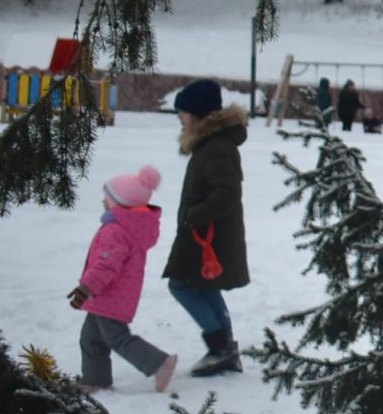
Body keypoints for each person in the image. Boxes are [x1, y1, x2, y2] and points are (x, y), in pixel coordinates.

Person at [163, 79, 250, 377]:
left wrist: (195, 216)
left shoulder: (217, 147)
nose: (179, 117)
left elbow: (227, 192)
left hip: (207, 235)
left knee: (181, 285)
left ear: (199, 113)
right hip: (205, 234)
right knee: (203, 285)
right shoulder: (210, 144)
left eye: (183, 111)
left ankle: (220, 346)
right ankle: (224, 348)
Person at [70, 164, 178, 393]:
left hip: (109, 296)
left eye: (106, 197)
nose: (103, 201)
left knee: (117, 338)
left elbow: (106, 266)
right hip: (111, 296)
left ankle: (159, 363)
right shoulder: (126, 227)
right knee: (91, 339)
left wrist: (85, 287)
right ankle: (96, 381)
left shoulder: (116, 230)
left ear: (118, 203)